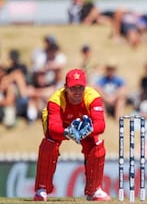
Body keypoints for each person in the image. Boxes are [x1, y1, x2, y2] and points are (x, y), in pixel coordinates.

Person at [33, 68, 111, 201]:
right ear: (65, 88)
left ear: (85, 87)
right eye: (73, 88)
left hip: (82, 124)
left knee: (96, 147)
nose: (77, 92)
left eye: (80, 87)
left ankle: (94, 190)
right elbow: (53, 128)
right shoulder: (56, 99)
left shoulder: (93, 97)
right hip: (61, 123)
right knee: (49, 145)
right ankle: (42, 189)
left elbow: (101, 125)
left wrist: (89, 130)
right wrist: (67, 133)